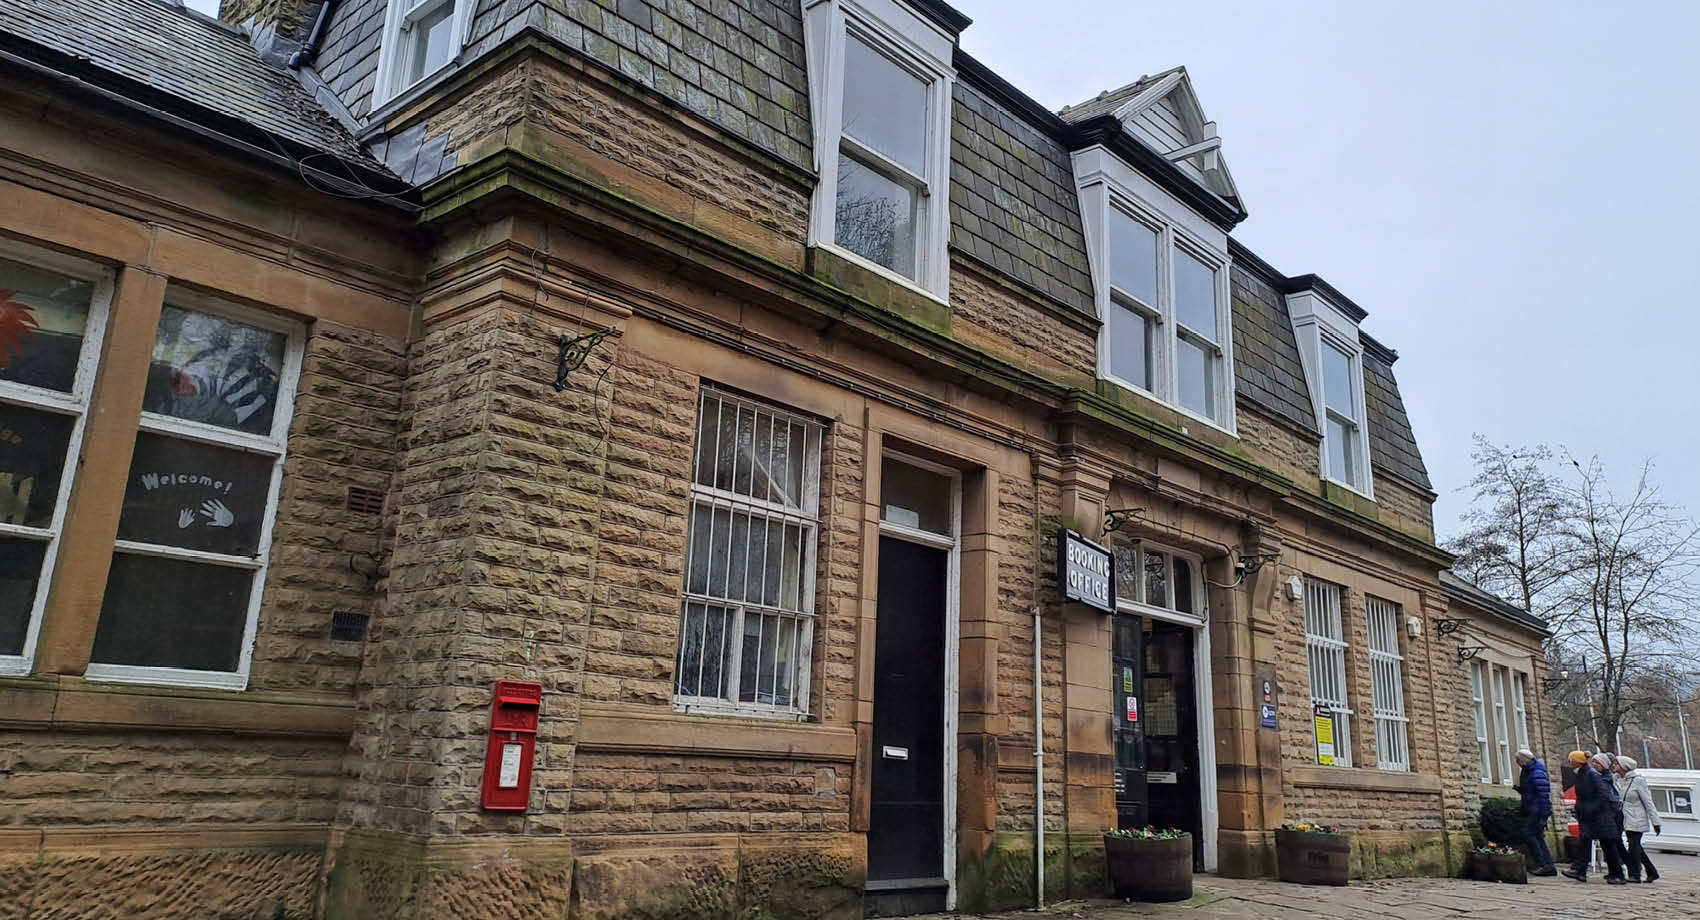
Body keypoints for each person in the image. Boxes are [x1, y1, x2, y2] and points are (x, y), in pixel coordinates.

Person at [1563, 750, 1626, 883]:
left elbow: (1602, 794)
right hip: (1589, 817)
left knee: (1608, 846)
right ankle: (1580, 871)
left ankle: (1618, 875)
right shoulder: (1583, 774)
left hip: (1600, 817)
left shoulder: (1591, 775)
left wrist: (1591, 808)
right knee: (1585, 843)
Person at [1615, 755, 1661, 883]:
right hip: (1625, 818)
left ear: (1624, 766)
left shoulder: (1638, 780)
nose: (1614, 766)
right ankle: (1651, 871)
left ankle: (1635, 875)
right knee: (1636, 846)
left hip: (1637, 817)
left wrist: (1656, 822)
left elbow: (1648, 801)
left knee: (1633, 846)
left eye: (1617, 764)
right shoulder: (1619, 780)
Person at [1515, 749, 1557, 875]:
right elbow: (1531, 791)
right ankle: (1548, 865)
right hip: (1533, 808)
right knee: (1537, 836)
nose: (1517, 763)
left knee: (1529, 834)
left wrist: (1544, 815)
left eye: (1518, 761)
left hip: (1537, 810)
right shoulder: (1529, 771)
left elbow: (1543, 795)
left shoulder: (1536, 773)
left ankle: (1544, 863)